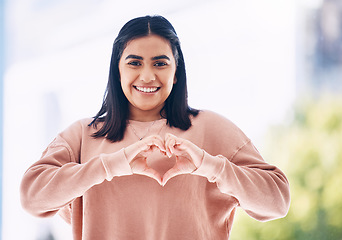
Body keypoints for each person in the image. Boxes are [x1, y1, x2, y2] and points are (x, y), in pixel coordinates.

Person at [20, 15, 290, 240]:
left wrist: (211, 166)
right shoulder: (83, 136)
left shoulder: (214, 129)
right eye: (134, 62)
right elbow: (32, 198)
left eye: (160, 63)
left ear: (176, 71)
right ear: (118, 69)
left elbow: (277, 202)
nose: (147, 76)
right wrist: (108, 166)